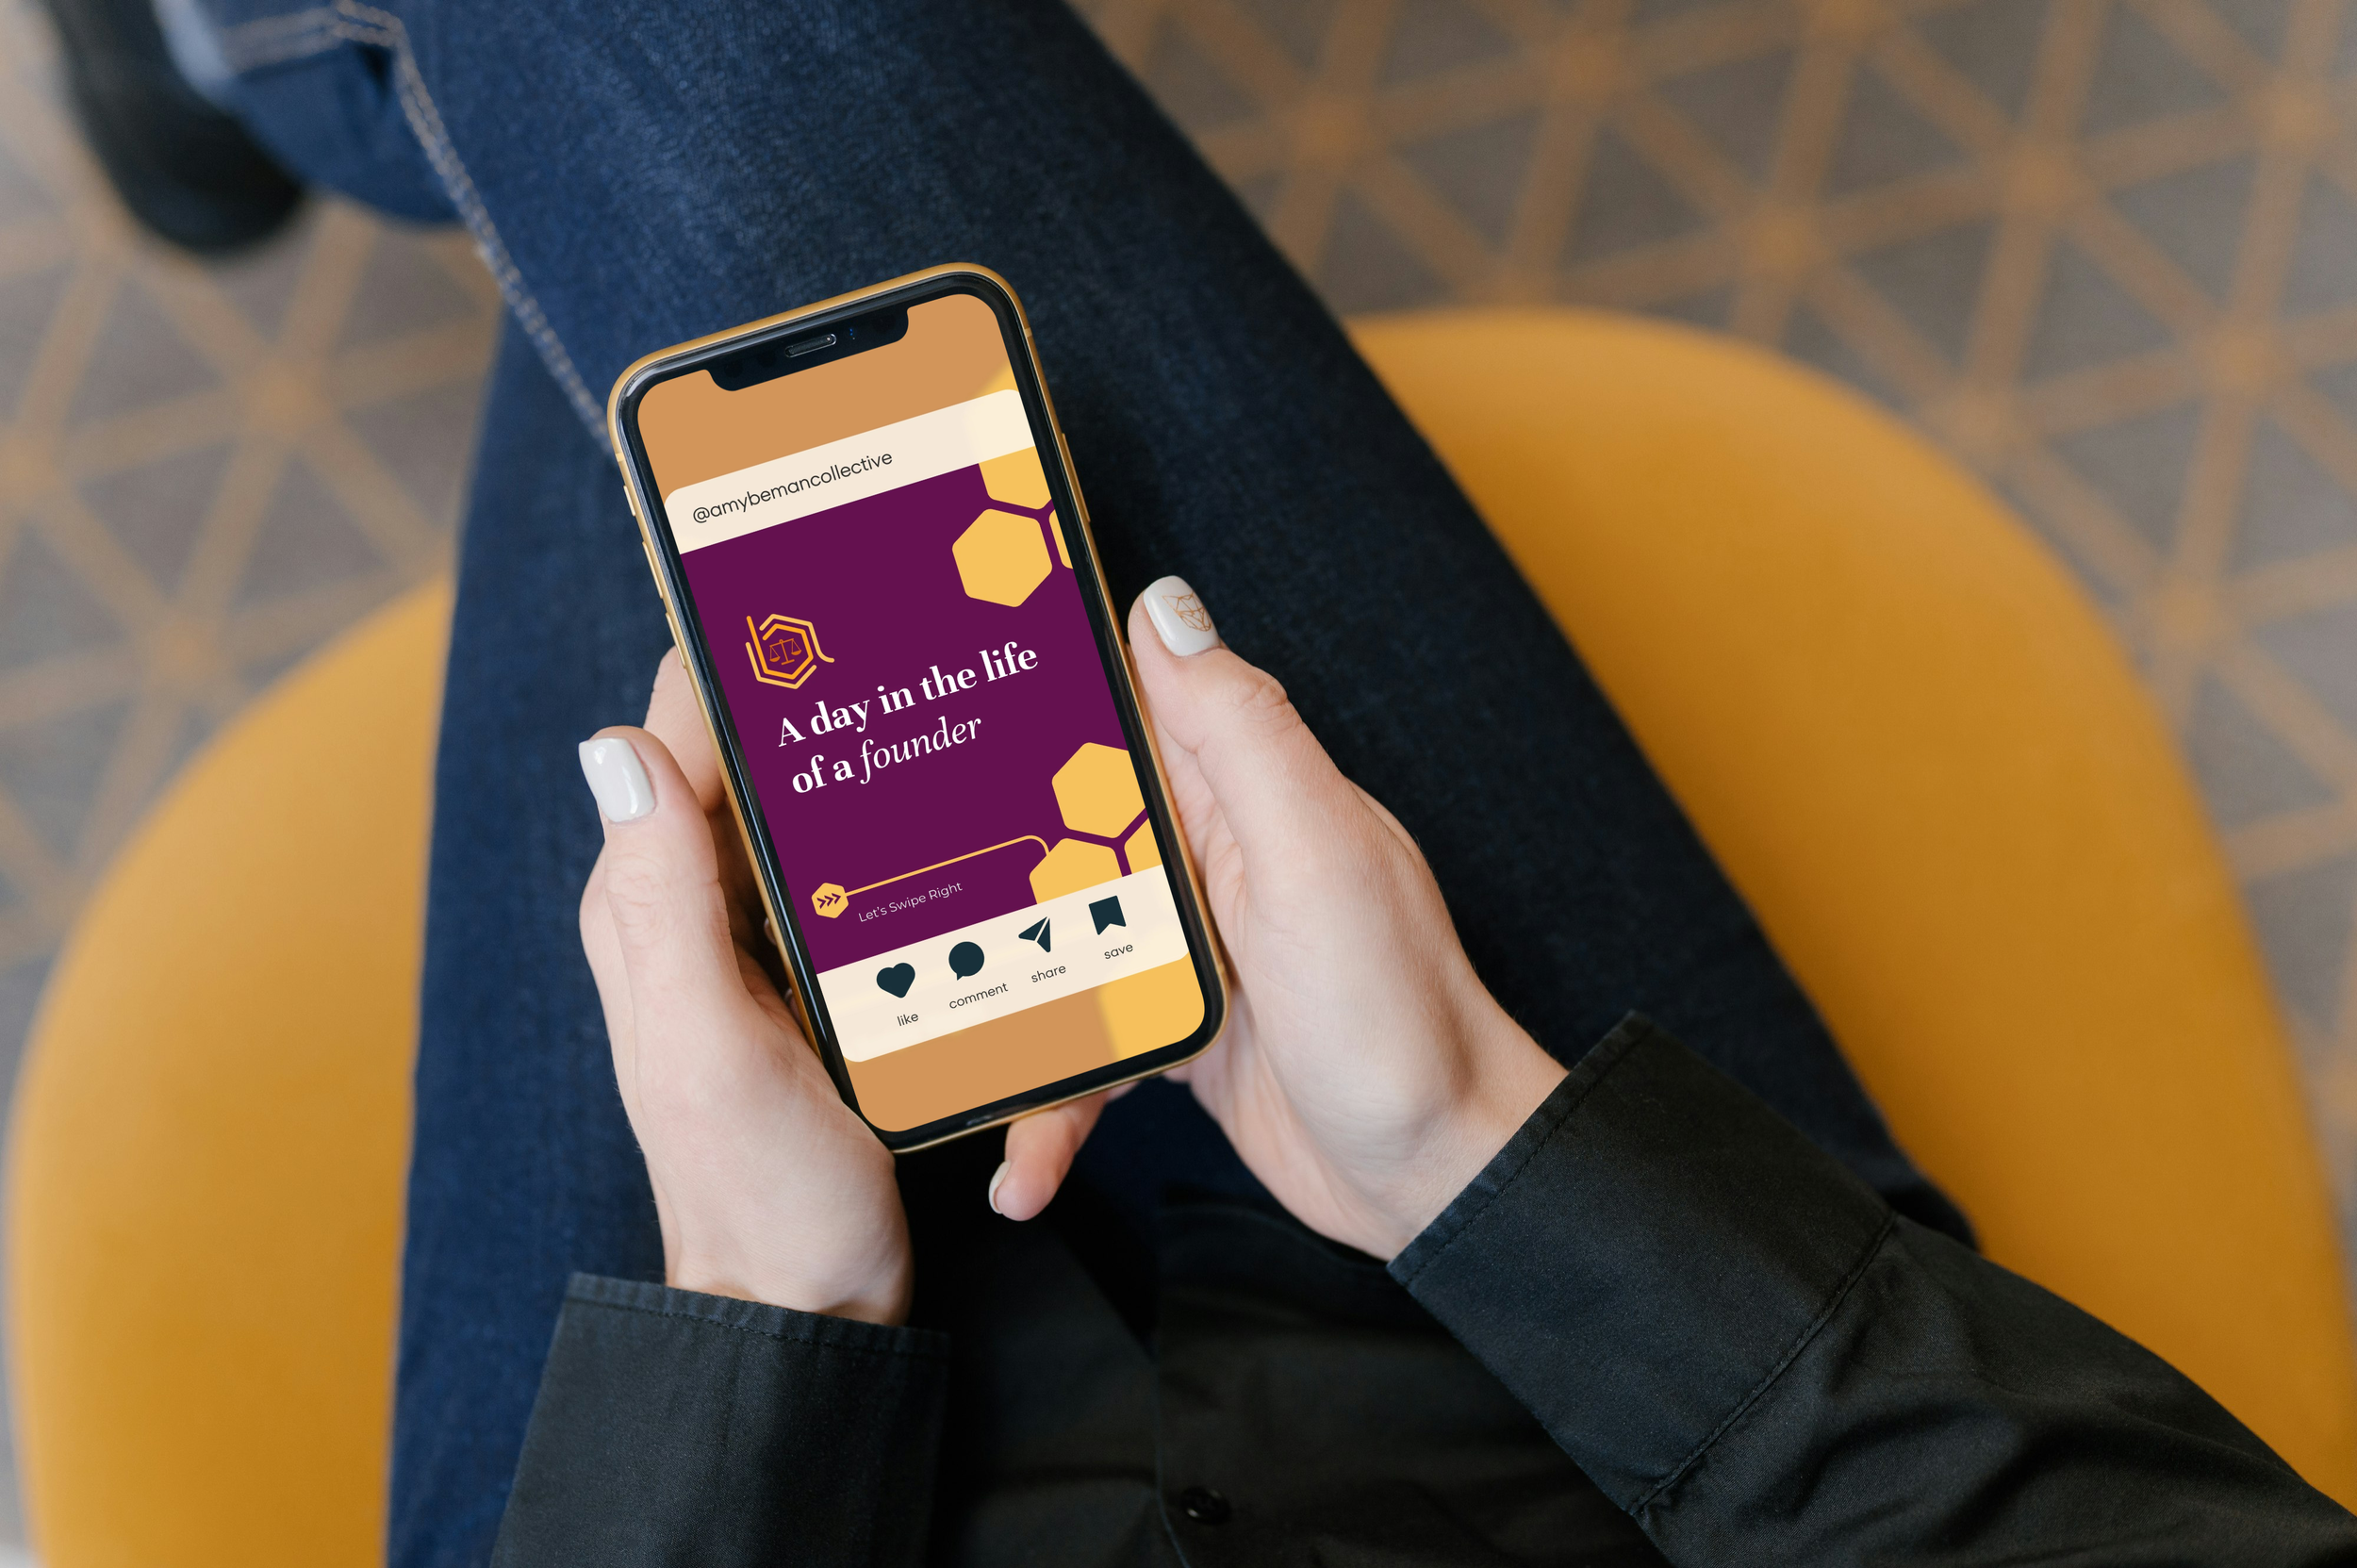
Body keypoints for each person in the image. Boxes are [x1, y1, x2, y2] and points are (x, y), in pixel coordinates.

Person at [41, 0, 2357, 1562]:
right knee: (708, 204)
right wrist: (1462, 1133)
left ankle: (240, 62)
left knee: (688, 328)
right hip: (1622, 1434)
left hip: (744, 1494)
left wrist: (763, 1314)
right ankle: (252, 56)